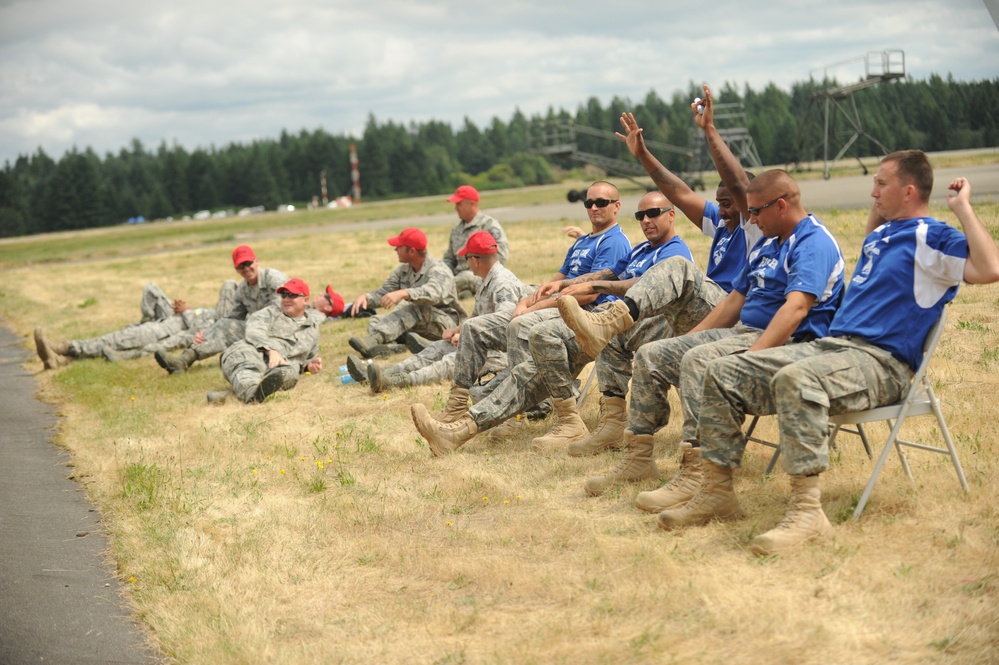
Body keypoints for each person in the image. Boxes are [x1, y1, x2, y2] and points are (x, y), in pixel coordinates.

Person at [656, 153, 999, 555]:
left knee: (797, 380)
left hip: (882, 362)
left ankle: (807, 514)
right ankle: (717, 492)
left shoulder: (932, 237)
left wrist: (962, 208)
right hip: (836, 348)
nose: (872, 191)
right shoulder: (882, 236)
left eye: (880, 184)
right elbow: (876, 229)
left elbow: (989, 268)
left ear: (908, 191)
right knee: (723, 369)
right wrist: (879, 210)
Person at [573, 168, 845, 499]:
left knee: (698, 358)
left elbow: (796, 309)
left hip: (786, 342)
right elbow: (734, 301)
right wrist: (688, 339)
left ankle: (697, 473)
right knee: (653, 354)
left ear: (782, 205)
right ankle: (639, 459)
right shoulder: (769, 245)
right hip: (745, 331)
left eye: (756, 211)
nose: (752, 219)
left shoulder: (812, 242)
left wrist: (754, 354)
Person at [411, 190, 724, 455]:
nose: (646, 221)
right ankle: (459, 432)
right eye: (641, 215)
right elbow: (607, 274)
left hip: (640, 327)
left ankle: (566, 416)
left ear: (672, 215)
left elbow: (640, 286)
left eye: (654, 213)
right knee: (529, 366)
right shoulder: (640, 248)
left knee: (540, 332)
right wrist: (565, 286)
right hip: (607, 326)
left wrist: (590, 290)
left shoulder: (674, 253)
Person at [552, 93, 762, 456]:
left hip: (734, 314)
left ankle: (615, 316)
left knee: (678, 267)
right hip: (704, 313)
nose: (723, 210)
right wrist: (643, 156)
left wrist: (709, 130)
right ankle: (616, 430)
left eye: (729, 203)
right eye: (720, 203)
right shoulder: (722, 226)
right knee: (616, 337)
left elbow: (739, 184)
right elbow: (677, 192)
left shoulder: (752, 225)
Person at [422, 180, 632, 433]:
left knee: (520, 325)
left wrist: (531, 309)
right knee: (474, 327)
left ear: (617, 206)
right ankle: (457, 403)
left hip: (583, 317)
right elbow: (553, 283)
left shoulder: (614, 242)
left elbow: (587, 295)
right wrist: (525, 300)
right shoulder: (582, 242)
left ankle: (517, 413)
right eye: (589, 203)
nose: (594, 208)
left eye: (602, 203)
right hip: (553, 309)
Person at [352, 231, 531, 392]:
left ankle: (400, 381)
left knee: (452, 361)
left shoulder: (501, 283)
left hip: (503, 353)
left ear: (475, 260)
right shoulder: (486, 281)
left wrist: (468, 333)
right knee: (438, 348)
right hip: (482, 343)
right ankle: (388, 372)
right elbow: (477, 316)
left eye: (466, 258)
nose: (466, 263)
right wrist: (458, 330)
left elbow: (506, 322)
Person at [33, 282, 235, 368]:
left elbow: (204, 332)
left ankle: (65, 349)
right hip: (172, 318)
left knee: (119, 338)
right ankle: (61, 358)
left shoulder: (228, 325)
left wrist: (187, 313)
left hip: (172, 328)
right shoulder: (222, 310)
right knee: (151, 289)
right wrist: (187, 308)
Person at [155, 245, 289, 374]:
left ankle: (185, 359)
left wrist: (253, 327)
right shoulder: (243, 289)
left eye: (248, 263)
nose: (246, 268)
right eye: (241, 265)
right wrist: (205, 334)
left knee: (229, 327)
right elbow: (233, 317)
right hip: (262, 331)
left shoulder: (273, 279)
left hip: (285, 328)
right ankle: (184, 358)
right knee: (225, 325)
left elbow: (283, 311)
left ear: (256, 261)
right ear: (236, 269)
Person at [347, 227, 468, 359]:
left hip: (446, 327)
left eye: (399, 247)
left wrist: (404, 293)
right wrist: (366, 298)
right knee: (376, 320)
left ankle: (374, 340)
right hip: (415, 323)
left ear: (412, 251)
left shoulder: (439, 269)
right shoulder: (403, 271)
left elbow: (434, 294)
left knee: (413, 308)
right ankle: (392, 347)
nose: (395, 250)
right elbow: (385, 293)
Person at [208, 278, 325, 404]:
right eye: (284, 295)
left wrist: (309, 367)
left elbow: (305, 362)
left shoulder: (312, 329)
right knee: (245, 363)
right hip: (252, 353)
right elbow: (254, 331)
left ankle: (237, 395)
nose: (286, 299)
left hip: (279, 366)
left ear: (305, 300)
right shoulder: (270, 313)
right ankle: (250, 392)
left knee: (288, 373)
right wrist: (272, 350)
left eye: (292, 295)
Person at [443, 185, 511, 298]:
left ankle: (442, 291)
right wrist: (445, 273)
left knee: (466, 277)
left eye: (459, 204)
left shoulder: (489, 225)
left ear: (472, 203)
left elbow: (501, 255)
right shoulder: (456, 230)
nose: (456, 208)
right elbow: (449, 259)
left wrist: (481, 272)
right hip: (457, 278)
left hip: (481, 277)